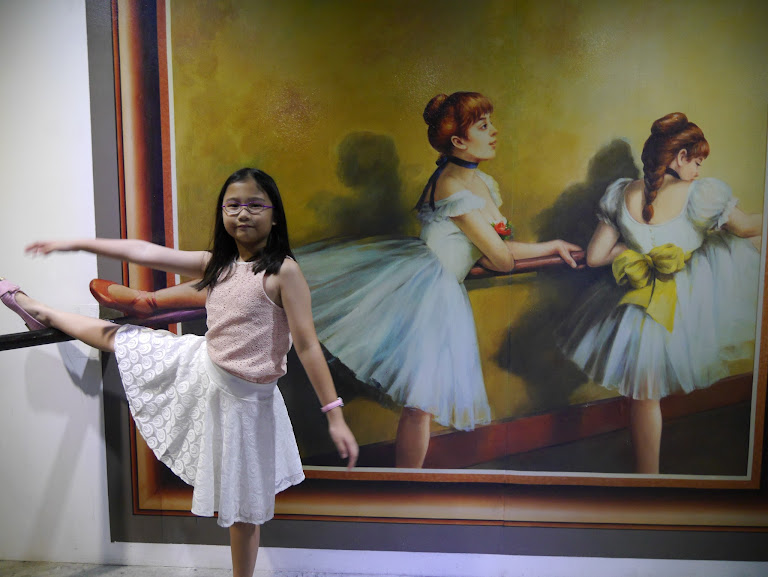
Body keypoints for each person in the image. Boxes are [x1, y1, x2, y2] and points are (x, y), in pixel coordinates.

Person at [86, 92, 581, 469]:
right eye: (484, 125)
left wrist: (552, 245)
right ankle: (151, 301)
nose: (494, 132)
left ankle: (406, 493)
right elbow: (500, 259)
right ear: (459, 141)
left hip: (426, 281)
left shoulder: (474, 180)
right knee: (260, 278)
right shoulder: (455, 184)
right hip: (417, 284)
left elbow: (495, 250)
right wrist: (524, 252)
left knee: (419, 402)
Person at [0, 167, 358, 577]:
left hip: (247, 404)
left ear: (275, 215)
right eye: (233, 205)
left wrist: (334, 414)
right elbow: (145, 251)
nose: (243, 213)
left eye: (255, 205)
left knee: (244, 512)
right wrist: (74, 243)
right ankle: (39, 309)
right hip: (203, 372)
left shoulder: (283, 273)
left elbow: (307, 345)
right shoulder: (216, 264)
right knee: (122, 340)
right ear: (222, 213)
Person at [558, 113, 762, 474]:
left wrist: (634, 251)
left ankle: (646, 476)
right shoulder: (702, 194)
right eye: (697, 161)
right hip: (686, 301)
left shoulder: (622, 193)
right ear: (680, 157)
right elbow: (746, 228)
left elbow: (595, 257)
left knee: (644, 394)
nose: (698, 170)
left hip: (636, 302)